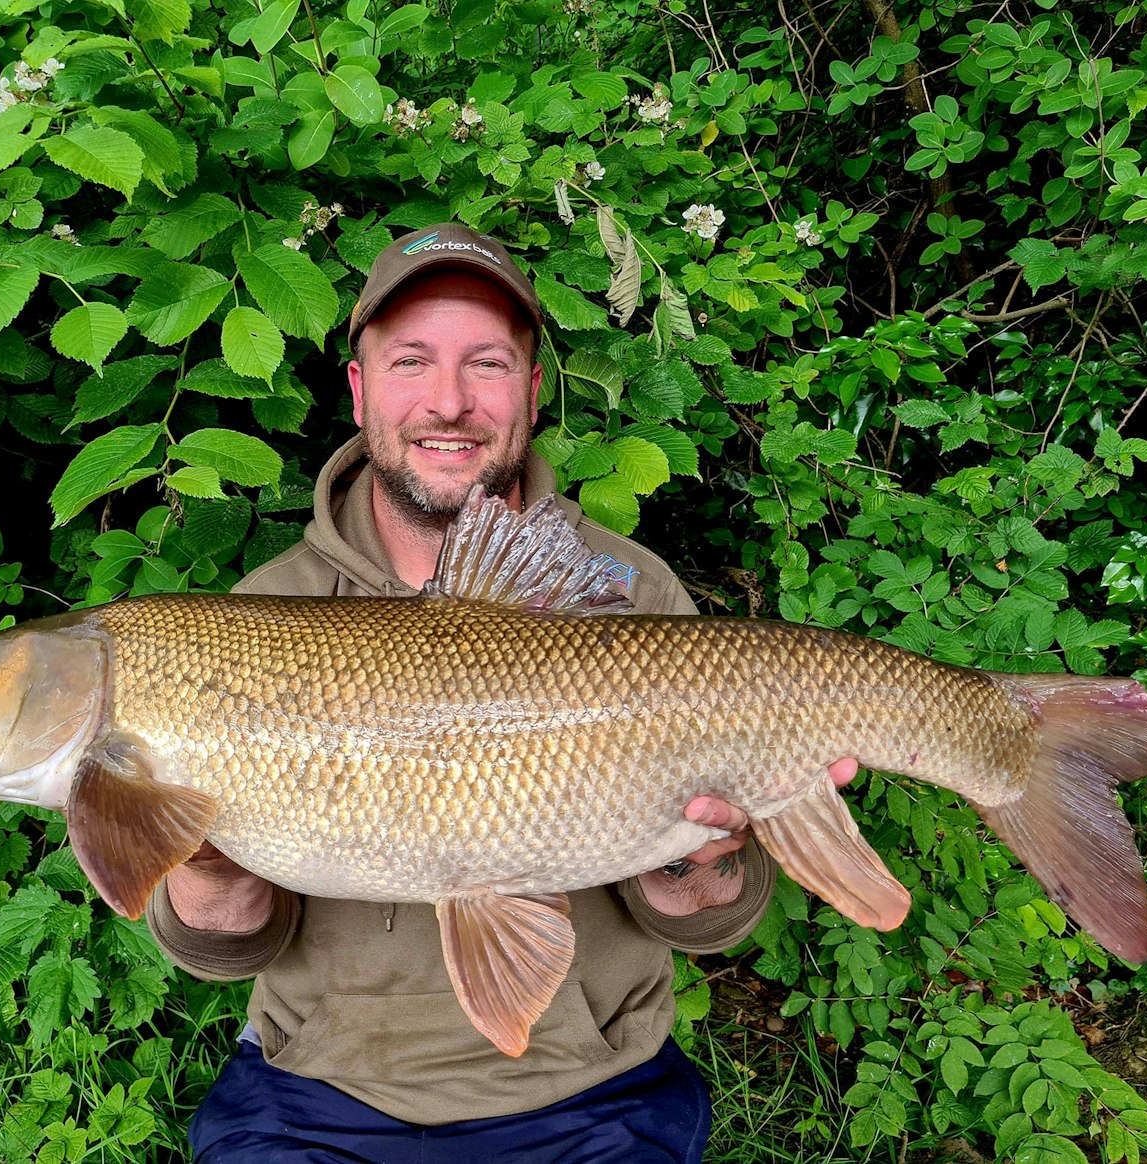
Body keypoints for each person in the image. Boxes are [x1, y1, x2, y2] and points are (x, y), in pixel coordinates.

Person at [147, 223, 857, 1162]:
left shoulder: (630, 593)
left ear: (530, 389)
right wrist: (202, 862)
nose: (448, 401)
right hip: (321, 1090)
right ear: (360, 390)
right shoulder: (259, 619)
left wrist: (699, 854)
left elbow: (711, 923)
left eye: (486, 363)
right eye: (410, 362)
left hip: (593, 1088)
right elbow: (219, 950)